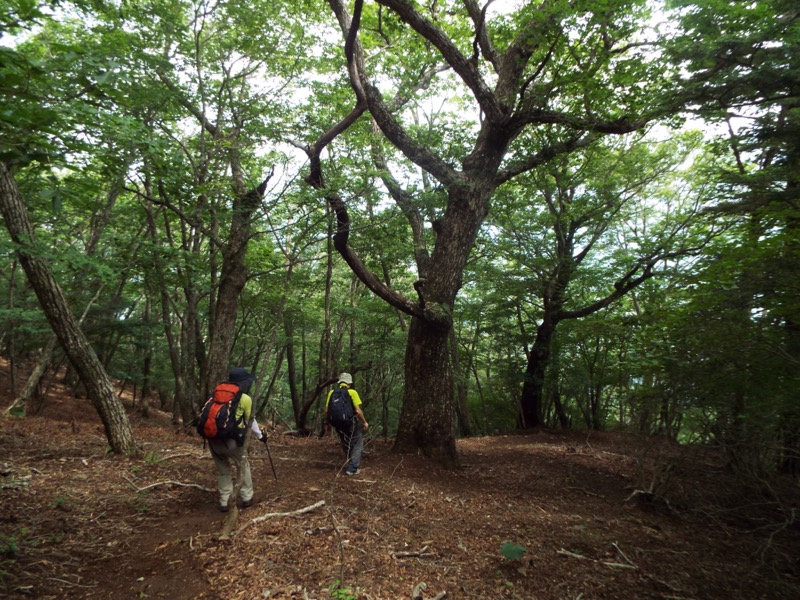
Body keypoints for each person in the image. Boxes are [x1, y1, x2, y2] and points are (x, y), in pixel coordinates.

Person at [207, 367, 265, 512]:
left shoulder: (215, 394)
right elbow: (251, 421)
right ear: (243, 383)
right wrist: (261, 436)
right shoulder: (245, 398)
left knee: (223, 471)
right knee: (242, 465)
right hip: (232, 441)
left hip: (213, 440)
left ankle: (224, 500)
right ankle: (246, 497)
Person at [324, 372, 369, 476]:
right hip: (350, 423)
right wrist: (364, 422)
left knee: (345, 442)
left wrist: (326, 423)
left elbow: (326, 410)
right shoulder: (352, 392)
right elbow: (358, 411)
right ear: (349, 383)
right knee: (357, 443)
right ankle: (352, 468)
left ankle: (350, 463)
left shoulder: (332, 392)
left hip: (337, 424)